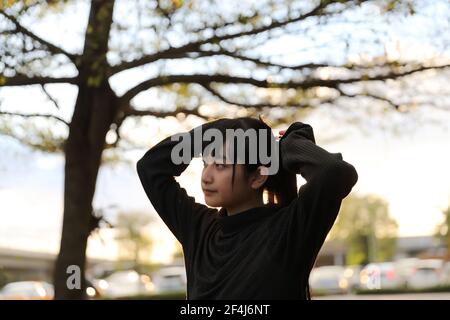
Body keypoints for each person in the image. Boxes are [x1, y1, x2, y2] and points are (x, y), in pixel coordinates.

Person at [136, 116, 358, 299]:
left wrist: (288, 145)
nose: (206, 177)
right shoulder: (199, 229)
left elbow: (335, 173)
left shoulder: (289, 230)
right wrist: (217, 130)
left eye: (221, 165)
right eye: (206, 163)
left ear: (258, 177)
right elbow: (150, 168)